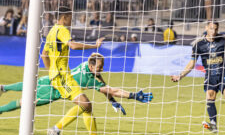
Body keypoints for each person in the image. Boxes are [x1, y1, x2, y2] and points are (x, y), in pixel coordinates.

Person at [0, 53, 153, 117]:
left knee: (30, 84)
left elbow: (104, 86)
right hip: (56, 90)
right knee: (26, 103)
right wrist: (132, 95)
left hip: (55, 77)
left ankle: (3, 88)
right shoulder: (88, 79)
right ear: (92, 67)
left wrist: (112, 101)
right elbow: (112, 89)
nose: (101, 70)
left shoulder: (86, 65)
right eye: (99, 68)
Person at [41, 6, 107, 135]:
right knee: (85, 104)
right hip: (62, 75)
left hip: (59, 75)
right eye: (70, 17)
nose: (72, 20)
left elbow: (44, 55)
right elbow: (73, 46)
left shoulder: (51, 31)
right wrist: (94, 46)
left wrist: (51, 73)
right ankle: (56, 129)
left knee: (86, 106)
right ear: (64, 17)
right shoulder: (63, 30)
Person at [171, 21, 225, 135]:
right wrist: (180, 76)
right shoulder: (198, 44)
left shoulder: (224, 40)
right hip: (210, 74)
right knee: (210, 96)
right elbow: (192, 63)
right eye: (211, 29)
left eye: (215, 29)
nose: (213, 32)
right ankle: (213, 124)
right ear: (206, 28)